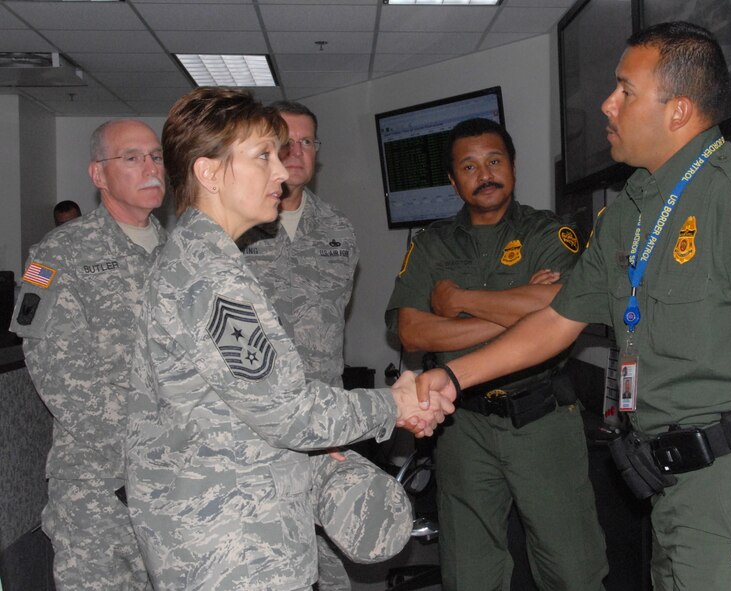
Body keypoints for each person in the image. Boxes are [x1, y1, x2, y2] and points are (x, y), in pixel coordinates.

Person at [417, 22, 731, 591]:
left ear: (677, 110)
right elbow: (555, 321)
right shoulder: (633, 208)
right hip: (671, 485)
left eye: (624, 90)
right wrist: (452, 377)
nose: (607, 104)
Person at [125, 87, 454, 591]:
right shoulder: (210, 275)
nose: (281, 171)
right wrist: (394, 403)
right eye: (262, 156)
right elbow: (291, 413)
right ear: (209, 172)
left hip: (227, 525)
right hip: (234, 546)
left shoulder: (200, 258)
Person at [386, 117, 607, 590]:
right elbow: (410, 331)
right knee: (469, 573)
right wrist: (521, 310)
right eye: (469, 166)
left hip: (542, 419)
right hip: (462, 427)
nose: (484, 174)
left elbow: (567, 307)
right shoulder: (431, 243)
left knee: (573, 570)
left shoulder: (549, 233)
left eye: (494, 161)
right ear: (452, 180)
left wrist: (458, 302)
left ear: (512, 166)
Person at [239, 100, 408, 591]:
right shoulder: (233, 230)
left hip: (328, 425)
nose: (295, 152)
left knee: (335, 566)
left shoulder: (338, 230)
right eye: (282, 142)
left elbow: (333, 321)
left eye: (306, 142)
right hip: (259, 429)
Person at [11, 119, 166, 590]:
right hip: (100, 486)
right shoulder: (53, 254)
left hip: (181, 483)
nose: (151, 168)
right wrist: (143, 446)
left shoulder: (186, 254)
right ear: (98, 175)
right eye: (132, 157)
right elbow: (52, 366)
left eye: (156, 156)